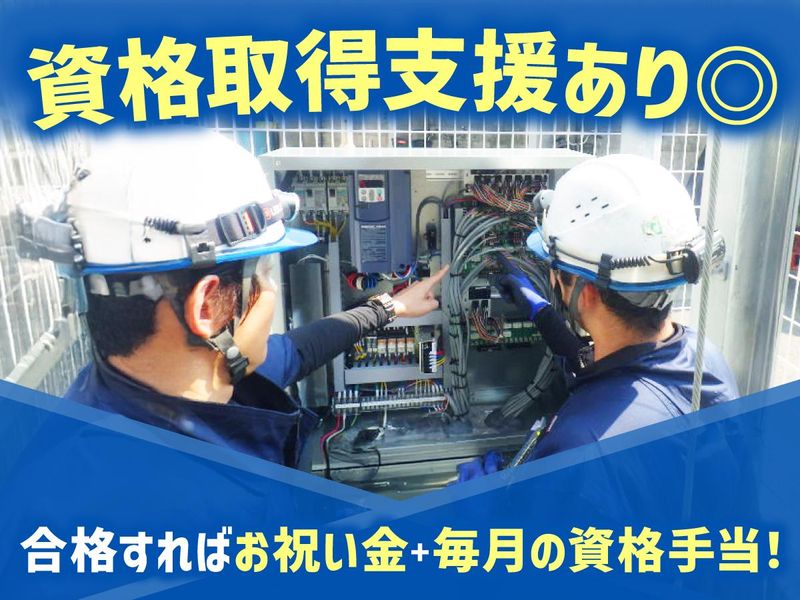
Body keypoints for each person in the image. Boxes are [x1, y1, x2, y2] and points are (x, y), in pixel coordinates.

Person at [39, 131, 447, 467]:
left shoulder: (173, 380)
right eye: (265, 276)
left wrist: (391, 306)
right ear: (206, 307)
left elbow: (296, 352)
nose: (272, 291)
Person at [494, 154, 739, 460]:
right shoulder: (703, 357)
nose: (552, 278)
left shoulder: (582, 441)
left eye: (554, 270)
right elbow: (614, 369)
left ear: (586, 292)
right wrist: (542, 314)